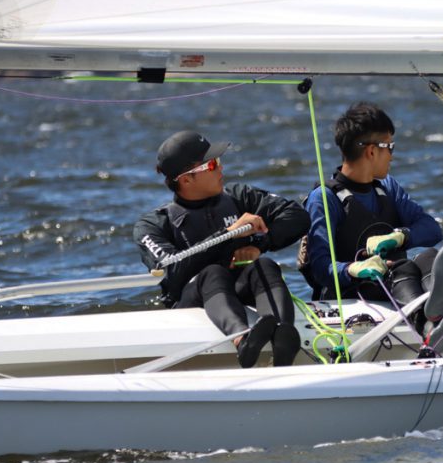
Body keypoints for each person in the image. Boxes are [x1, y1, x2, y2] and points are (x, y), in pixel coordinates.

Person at [133, 130, 311, 368]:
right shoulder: (152, 225)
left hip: (239, 289)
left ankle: (282, 336)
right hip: (191, 300)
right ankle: (242, 341)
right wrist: (230, 234)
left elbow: (298, 216)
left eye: (218, 161)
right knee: (213, 273)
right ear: (186, 180)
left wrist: (259, 245)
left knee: (264, 265)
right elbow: (172, 269)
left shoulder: (239, 197)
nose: (220, 168)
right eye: (212, 164)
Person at [297, 102, 443, 336]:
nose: (392, 156)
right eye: (390, 147)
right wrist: (354, 268)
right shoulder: (324, 199)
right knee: (402, 269)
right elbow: (321, 268)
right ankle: (426, 323)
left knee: (430, 257)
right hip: (353, 293)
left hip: (396, 284)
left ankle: (437, 311)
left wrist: (400, 237)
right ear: (372, 151)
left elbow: (432, 229)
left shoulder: (388, 187)